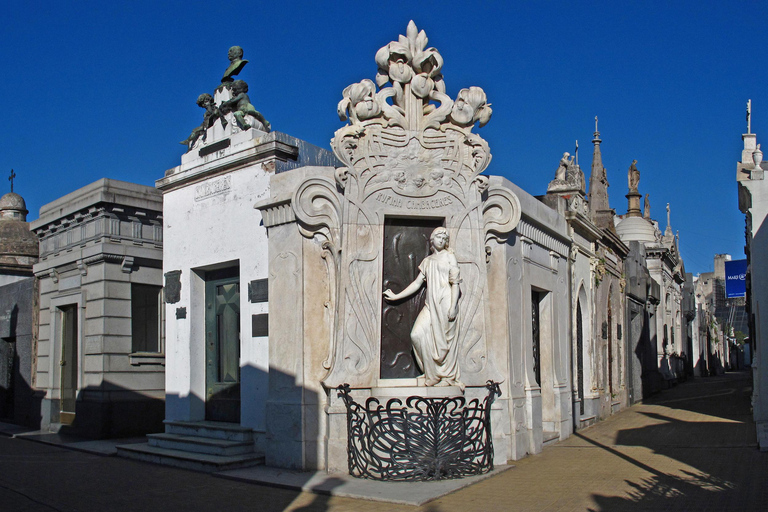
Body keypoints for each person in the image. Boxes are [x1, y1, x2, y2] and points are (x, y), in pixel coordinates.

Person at [383, 227, 463, 388]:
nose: (441, 240)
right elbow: (417, 283)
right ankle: (431, 372)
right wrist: (397, 296)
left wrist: (453, 306)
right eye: (438, 237)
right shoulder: (427, 262)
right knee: (417, 334)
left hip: (446, 302)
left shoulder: (450, 257)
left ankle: (444, 376)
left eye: (444, 237)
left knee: (444, 345)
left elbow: (455, 284)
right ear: (432, 240)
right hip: (430, 304)